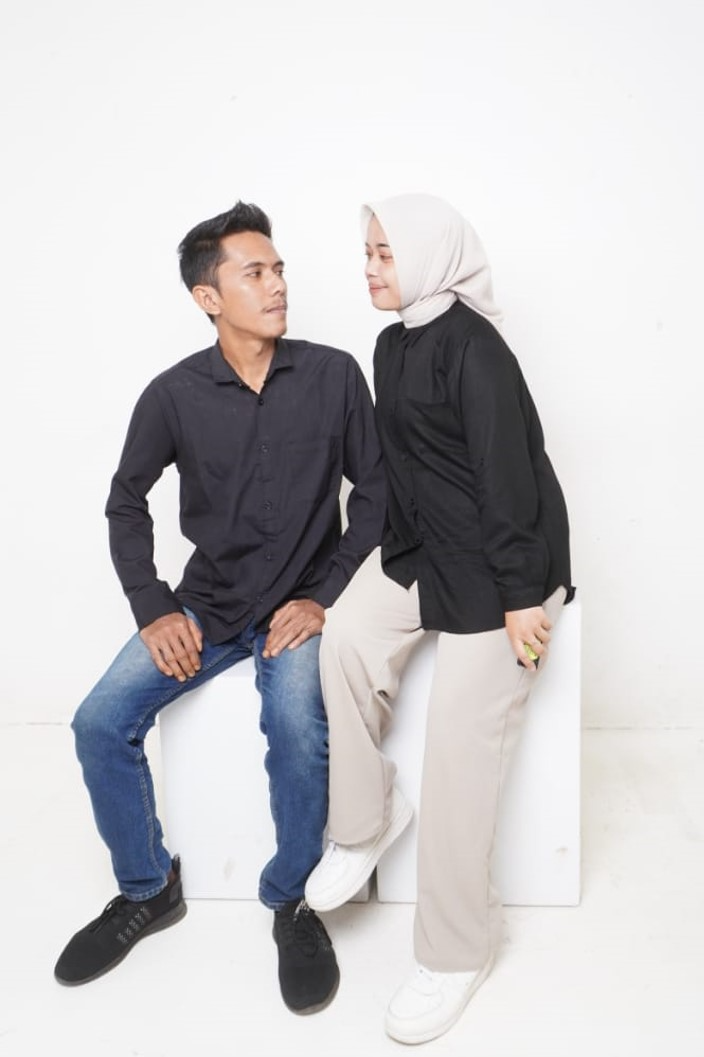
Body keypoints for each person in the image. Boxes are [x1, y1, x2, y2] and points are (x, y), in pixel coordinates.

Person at [53, 200, 386, 1015]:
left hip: (297, 607)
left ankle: (292, 900)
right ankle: (147, 887)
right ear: (209, 296)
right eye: (255, 272)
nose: (277, 285)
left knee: (298, 728)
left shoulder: (335, 374)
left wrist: (324, 594)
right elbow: (125, 501)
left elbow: (377, 492)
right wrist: (153, 607)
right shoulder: (172, 395)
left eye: (279, 269)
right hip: (206, 604)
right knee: (99, 721)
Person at [304, 193, 575, 1043]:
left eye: (385, 253)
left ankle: (457, 951)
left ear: (428, 256)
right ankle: (366, 818)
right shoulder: (391, 345)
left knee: (457, 744)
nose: (370, 267)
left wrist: (523, 595)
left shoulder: (475, 348)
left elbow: (509, 479)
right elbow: (406, 471)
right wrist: (380, 565)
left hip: (504, 566)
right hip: (428, 550)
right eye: (368, 252)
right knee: (346, 638)